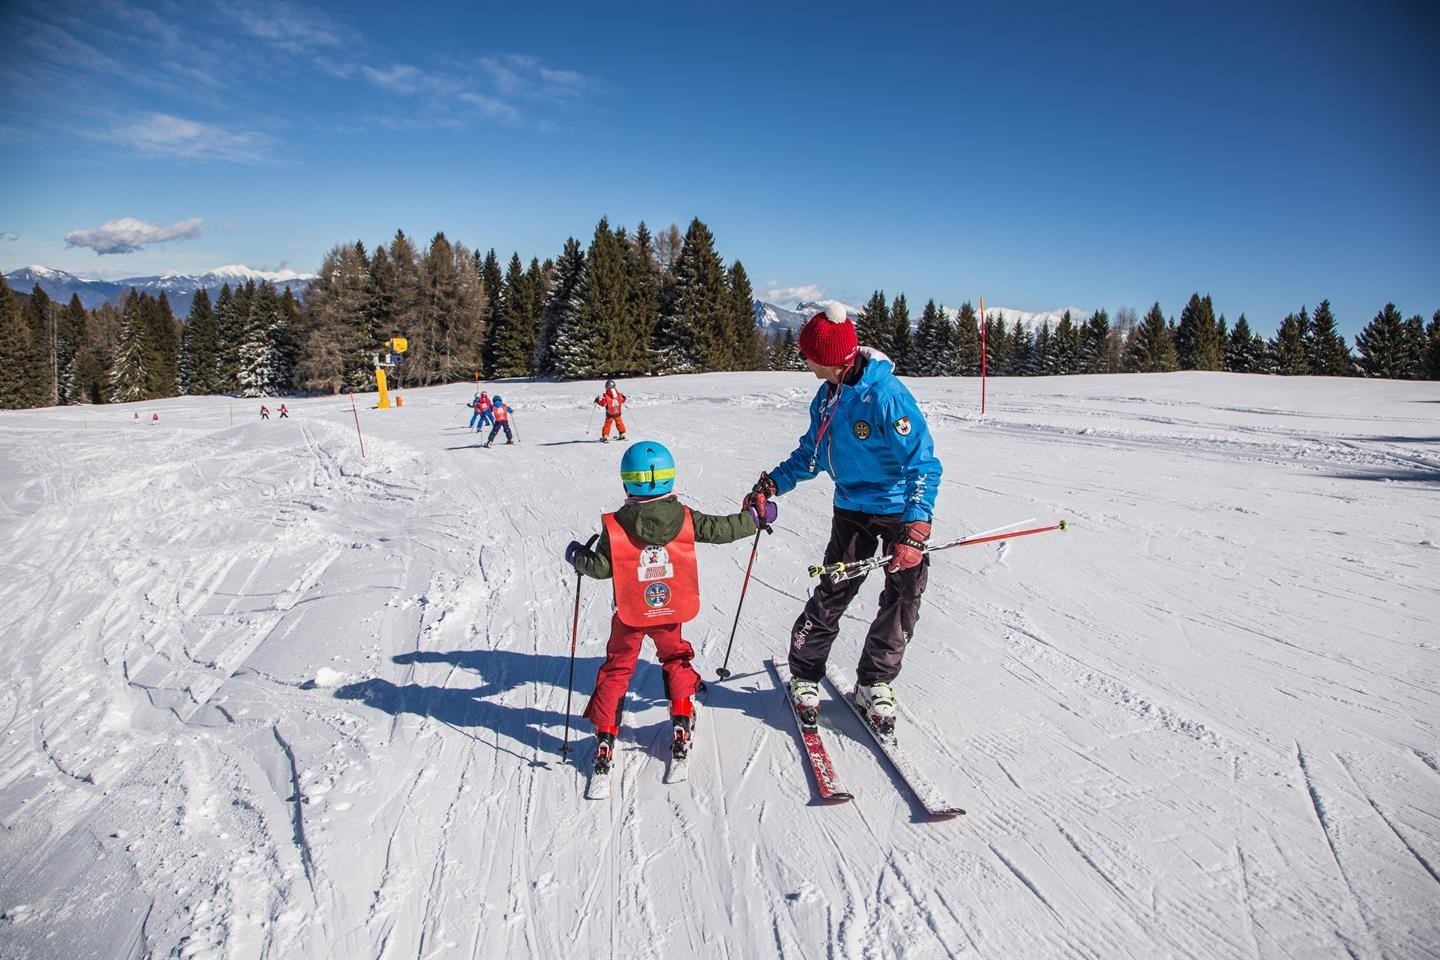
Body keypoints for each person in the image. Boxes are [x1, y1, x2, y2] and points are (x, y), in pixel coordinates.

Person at [741, 303, 942, 736]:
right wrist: (772, 484)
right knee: (834, 589)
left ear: (831, 358)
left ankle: (874, 683)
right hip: (851, 508)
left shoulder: (887, 398)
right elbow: (810, 456)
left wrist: (916, 528)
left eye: (809, 354)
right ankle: (805, 673)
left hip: (898, 513)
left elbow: (923, 466)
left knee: (904, 598)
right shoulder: (827, 397)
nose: (804, 360)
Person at [566, 440, 777, 772]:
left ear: (626, 480)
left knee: (617, 668)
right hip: (668, 608)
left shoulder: (616, 524)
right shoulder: (684, 516)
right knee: (675, 656)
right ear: (669, 478)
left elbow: (601, 568)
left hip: (631, 613)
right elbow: (721, 529)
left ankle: (606, 735)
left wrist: (578, 557)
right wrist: (753, 518)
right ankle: (681, 715)